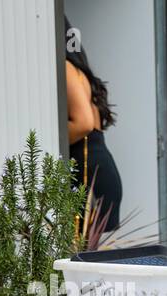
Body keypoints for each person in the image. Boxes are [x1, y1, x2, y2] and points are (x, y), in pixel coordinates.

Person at [66, 21, 122, 231]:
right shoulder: (81, 72)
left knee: (82, 256)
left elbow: (84, 123)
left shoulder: (66, 68)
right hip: (100, 170)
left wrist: (52, 142)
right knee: (92, 257)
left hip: (89, 176)